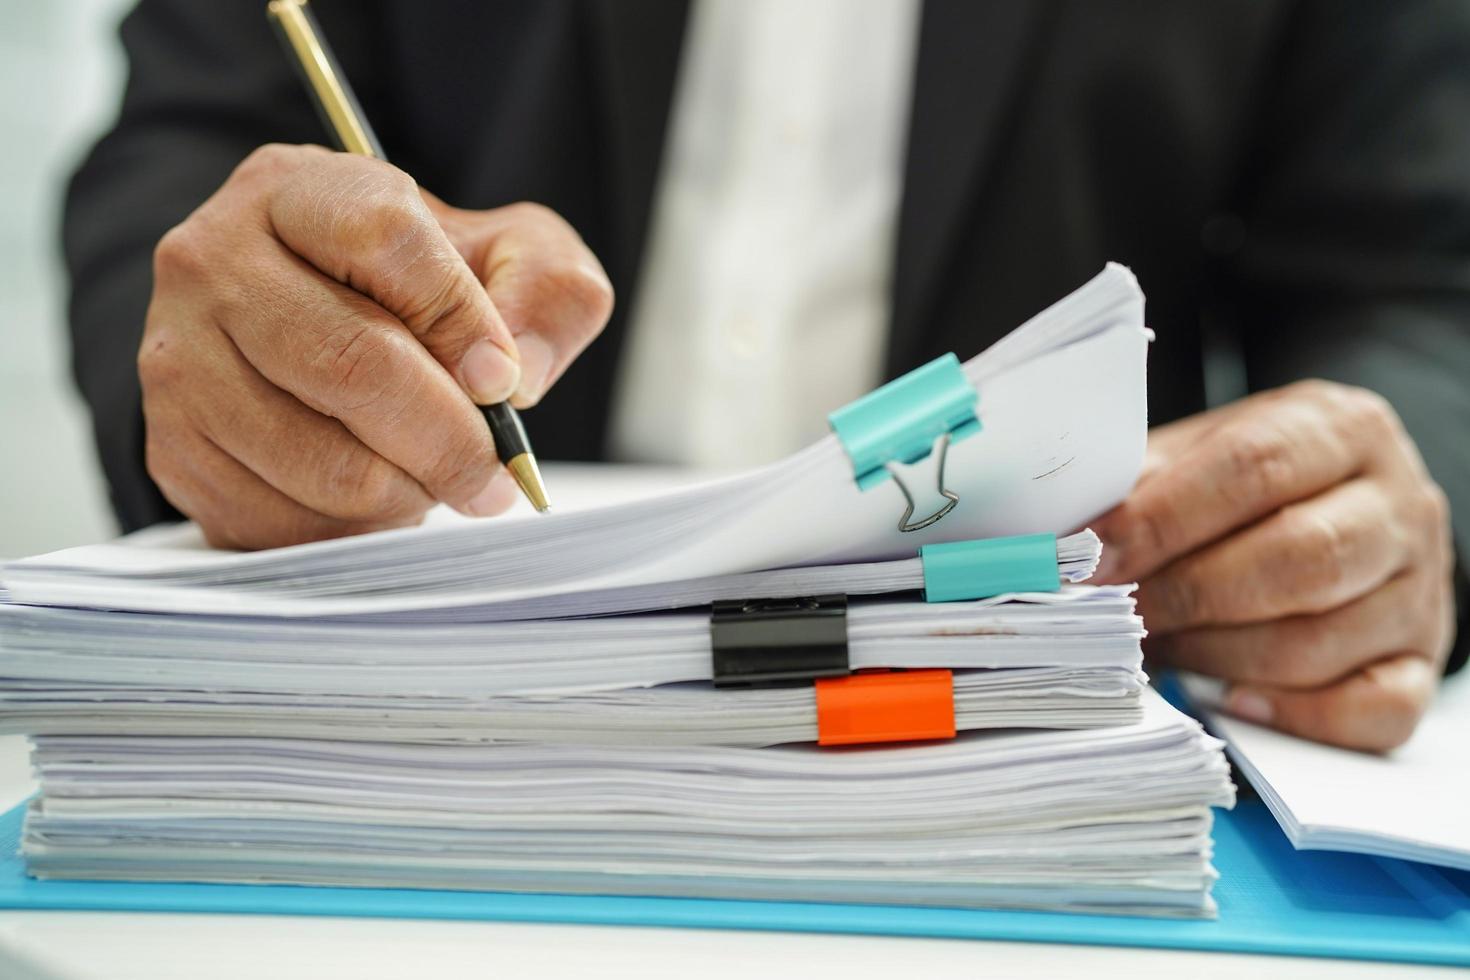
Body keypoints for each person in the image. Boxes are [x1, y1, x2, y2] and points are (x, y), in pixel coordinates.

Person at [64, 0, 1469, 751]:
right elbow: (188, 155)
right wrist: (246, 358)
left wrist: (1377, 501)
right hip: (459, 706)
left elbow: (1416, 283)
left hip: (1028, 713)